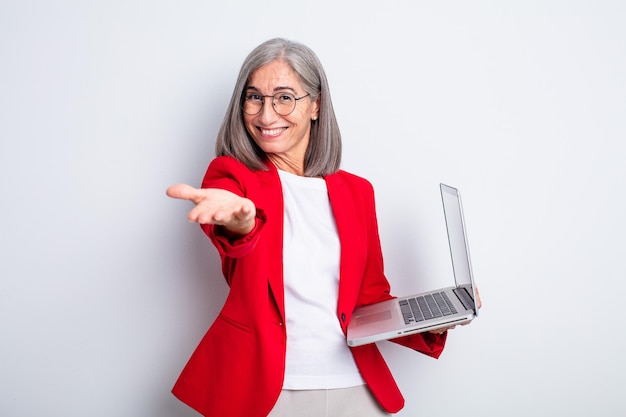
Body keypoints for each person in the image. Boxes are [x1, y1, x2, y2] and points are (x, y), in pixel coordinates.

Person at [166, 38, 480, 417]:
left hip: (356, 386)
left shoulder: (357, 192)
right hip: (268, 391)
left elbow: (370, 298)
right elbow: (235, 230)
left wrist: (437, 315)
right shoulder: (233, 179)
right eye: (254, 98)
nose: (267, 116)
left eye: (284, 97)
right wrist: (241, 221)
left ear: (315, 105)